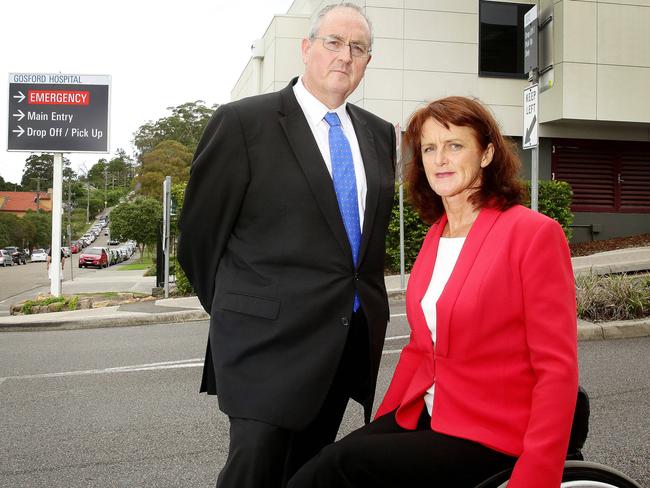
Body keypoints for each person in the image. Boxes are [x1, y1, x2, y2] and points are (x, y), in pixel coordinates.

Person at [288, 96, 579, 488]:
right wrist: (385, 423)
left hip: (494, 432)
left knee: (340, 468)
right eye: (429, 148)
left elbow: (556, 368)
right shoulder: (435, 235)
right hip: (427, 412)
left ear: (487, 154)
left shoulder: (533, 234)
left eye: (455, 145)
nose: (440, 159)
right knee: (321, 465)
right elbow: (420, 349)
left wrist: (536, 476)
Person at [177, 3, 396, 487]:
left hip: (342, 344)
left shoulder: (380, 135)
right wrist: (245, 311)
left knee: (307, 475)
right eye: (333, 42)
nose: (345, 56)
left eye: (358, 48)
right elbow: (198, 240)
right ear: (306, 48)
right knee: (253, 473)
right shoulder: (242, 124)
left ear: (367, 61)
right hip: (264, 348)